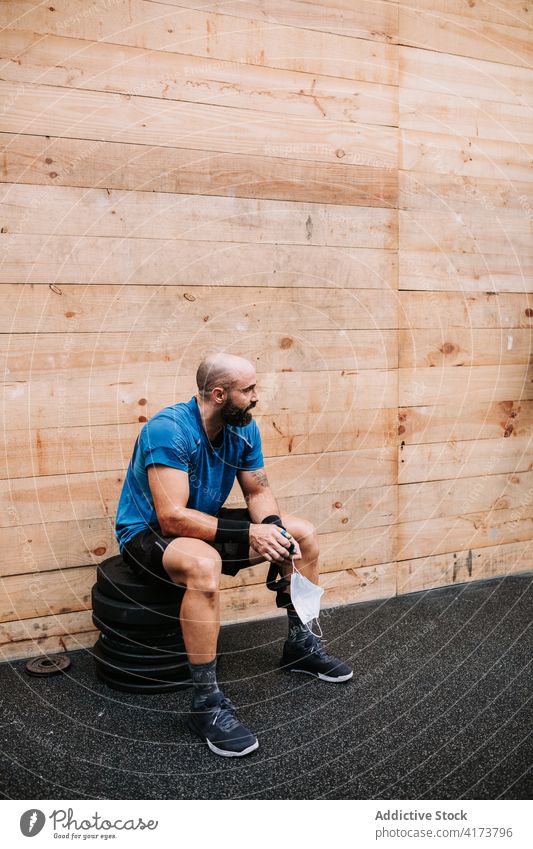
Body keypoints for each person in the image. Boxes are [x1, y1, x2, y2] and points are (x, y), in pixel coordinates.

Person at [115, 353, 353, 758]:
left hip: (203, 521)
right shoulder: (167, 430)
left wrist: (274, 531)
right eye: (249, 390)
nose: (256, 397)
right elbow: (171, 517)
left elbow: (258, 492)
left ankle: (301, 645)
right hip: (147, 532)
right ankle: (206, 704)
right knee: (205, 564)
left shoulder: (243, 429)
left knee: (302, 536)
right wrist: (251, 533)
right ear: (219, 393)